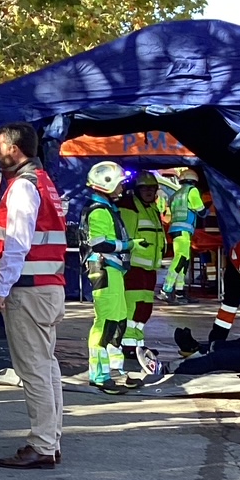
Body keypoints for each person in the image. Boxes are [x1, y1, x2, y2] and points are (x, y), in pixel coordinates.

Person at [0, 123, 67, 470]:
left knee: (34, 368)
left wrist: (1, 289)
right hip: (49, 286)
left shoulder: (23, 187)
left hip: (29, 289)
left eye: (0, 147)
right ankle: (51, 439)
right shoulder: (45, 183)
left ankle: (42, 444)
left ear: (14, 149)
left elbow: (17, 244)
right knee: (47, 365)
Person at [82, 161, 133, 394]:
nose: (122, 189)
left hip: (113, 270)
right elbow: (100, 242)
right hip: (104, 269)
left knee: (119, 319)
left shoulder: (107, 208)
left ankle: (115, 369)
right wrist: (128, 244)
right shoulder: (98, 211)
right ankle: (99, 375)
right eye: (119, 184)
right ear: (106, 184)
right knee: (106, 323)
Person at [119, 171, 165, 382]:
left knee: (144, 309)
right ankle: (128, 345)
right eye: (145, 188)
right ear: (136, 190)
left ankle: (137, 343)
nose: (149, 192)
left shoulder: (152, 208)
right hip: (135, 267)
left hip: (150, 267)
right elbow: (126, 235)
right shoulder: (130, 207)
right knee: (133, 308)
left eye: (152, 189)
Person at [161, 168, 204, 301]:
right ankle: (166, 289)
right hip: (184, 230)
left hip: (175, 229)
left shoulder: (176, 193)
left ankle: (180, 291)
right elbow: (201, 211)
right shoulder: (192, 191)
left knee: (184, 260)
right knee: (180, 259)